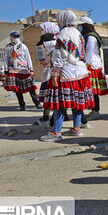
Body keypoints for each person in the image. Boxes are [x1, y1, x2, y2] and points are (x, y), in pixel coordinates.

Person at [40, 10, 94, 142]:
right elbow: (81, 53)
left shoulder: (62, 34)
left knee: (60, 104)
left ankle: (56, 132)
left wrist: (54, 74)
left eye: (59, 20)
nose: (58, 23)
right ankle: (76, 128)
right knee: (76, 103)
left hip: (67, 73)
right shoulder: (78, 33)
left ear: (63, 20)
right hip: (80, 73)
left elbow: (59, 56)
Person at [78, 16, 108, 121]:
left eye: (81, 25)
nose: (79, 27)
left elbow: (89, 53)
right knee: (91, 90)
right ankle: (93, 110)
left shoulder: (90, 37)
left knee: (94, 91)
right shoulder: (86, 36)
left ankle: (96, 111)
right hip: (90, 64)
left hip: (92, 65)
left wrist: (85, 66)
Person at [3, 30, 41, 110]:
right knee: (17, 89)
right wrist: (6, 70)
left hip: (23, 69)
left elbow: (28, 58)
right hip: (12, 70)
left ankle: (37, 103)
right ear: (11, 37)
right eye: (14, 37)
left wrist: (31, 69)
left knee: (31, 87)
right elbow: (6, 59)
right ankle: (22, 104)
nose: (16, 38)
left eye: (17, 36)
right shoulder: (8, 47)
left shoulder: (23, 46)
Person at [35, 22, 60, 127]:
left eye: (43, 29)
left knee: (54, 98)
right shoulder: (48, 46)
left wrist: (47, 62)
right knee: (48, 97)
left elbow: (57, 62)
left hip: (53, 76)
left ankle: (53, 121)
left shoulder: (56, 46)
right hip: (48, 74)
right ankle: (47, 118)